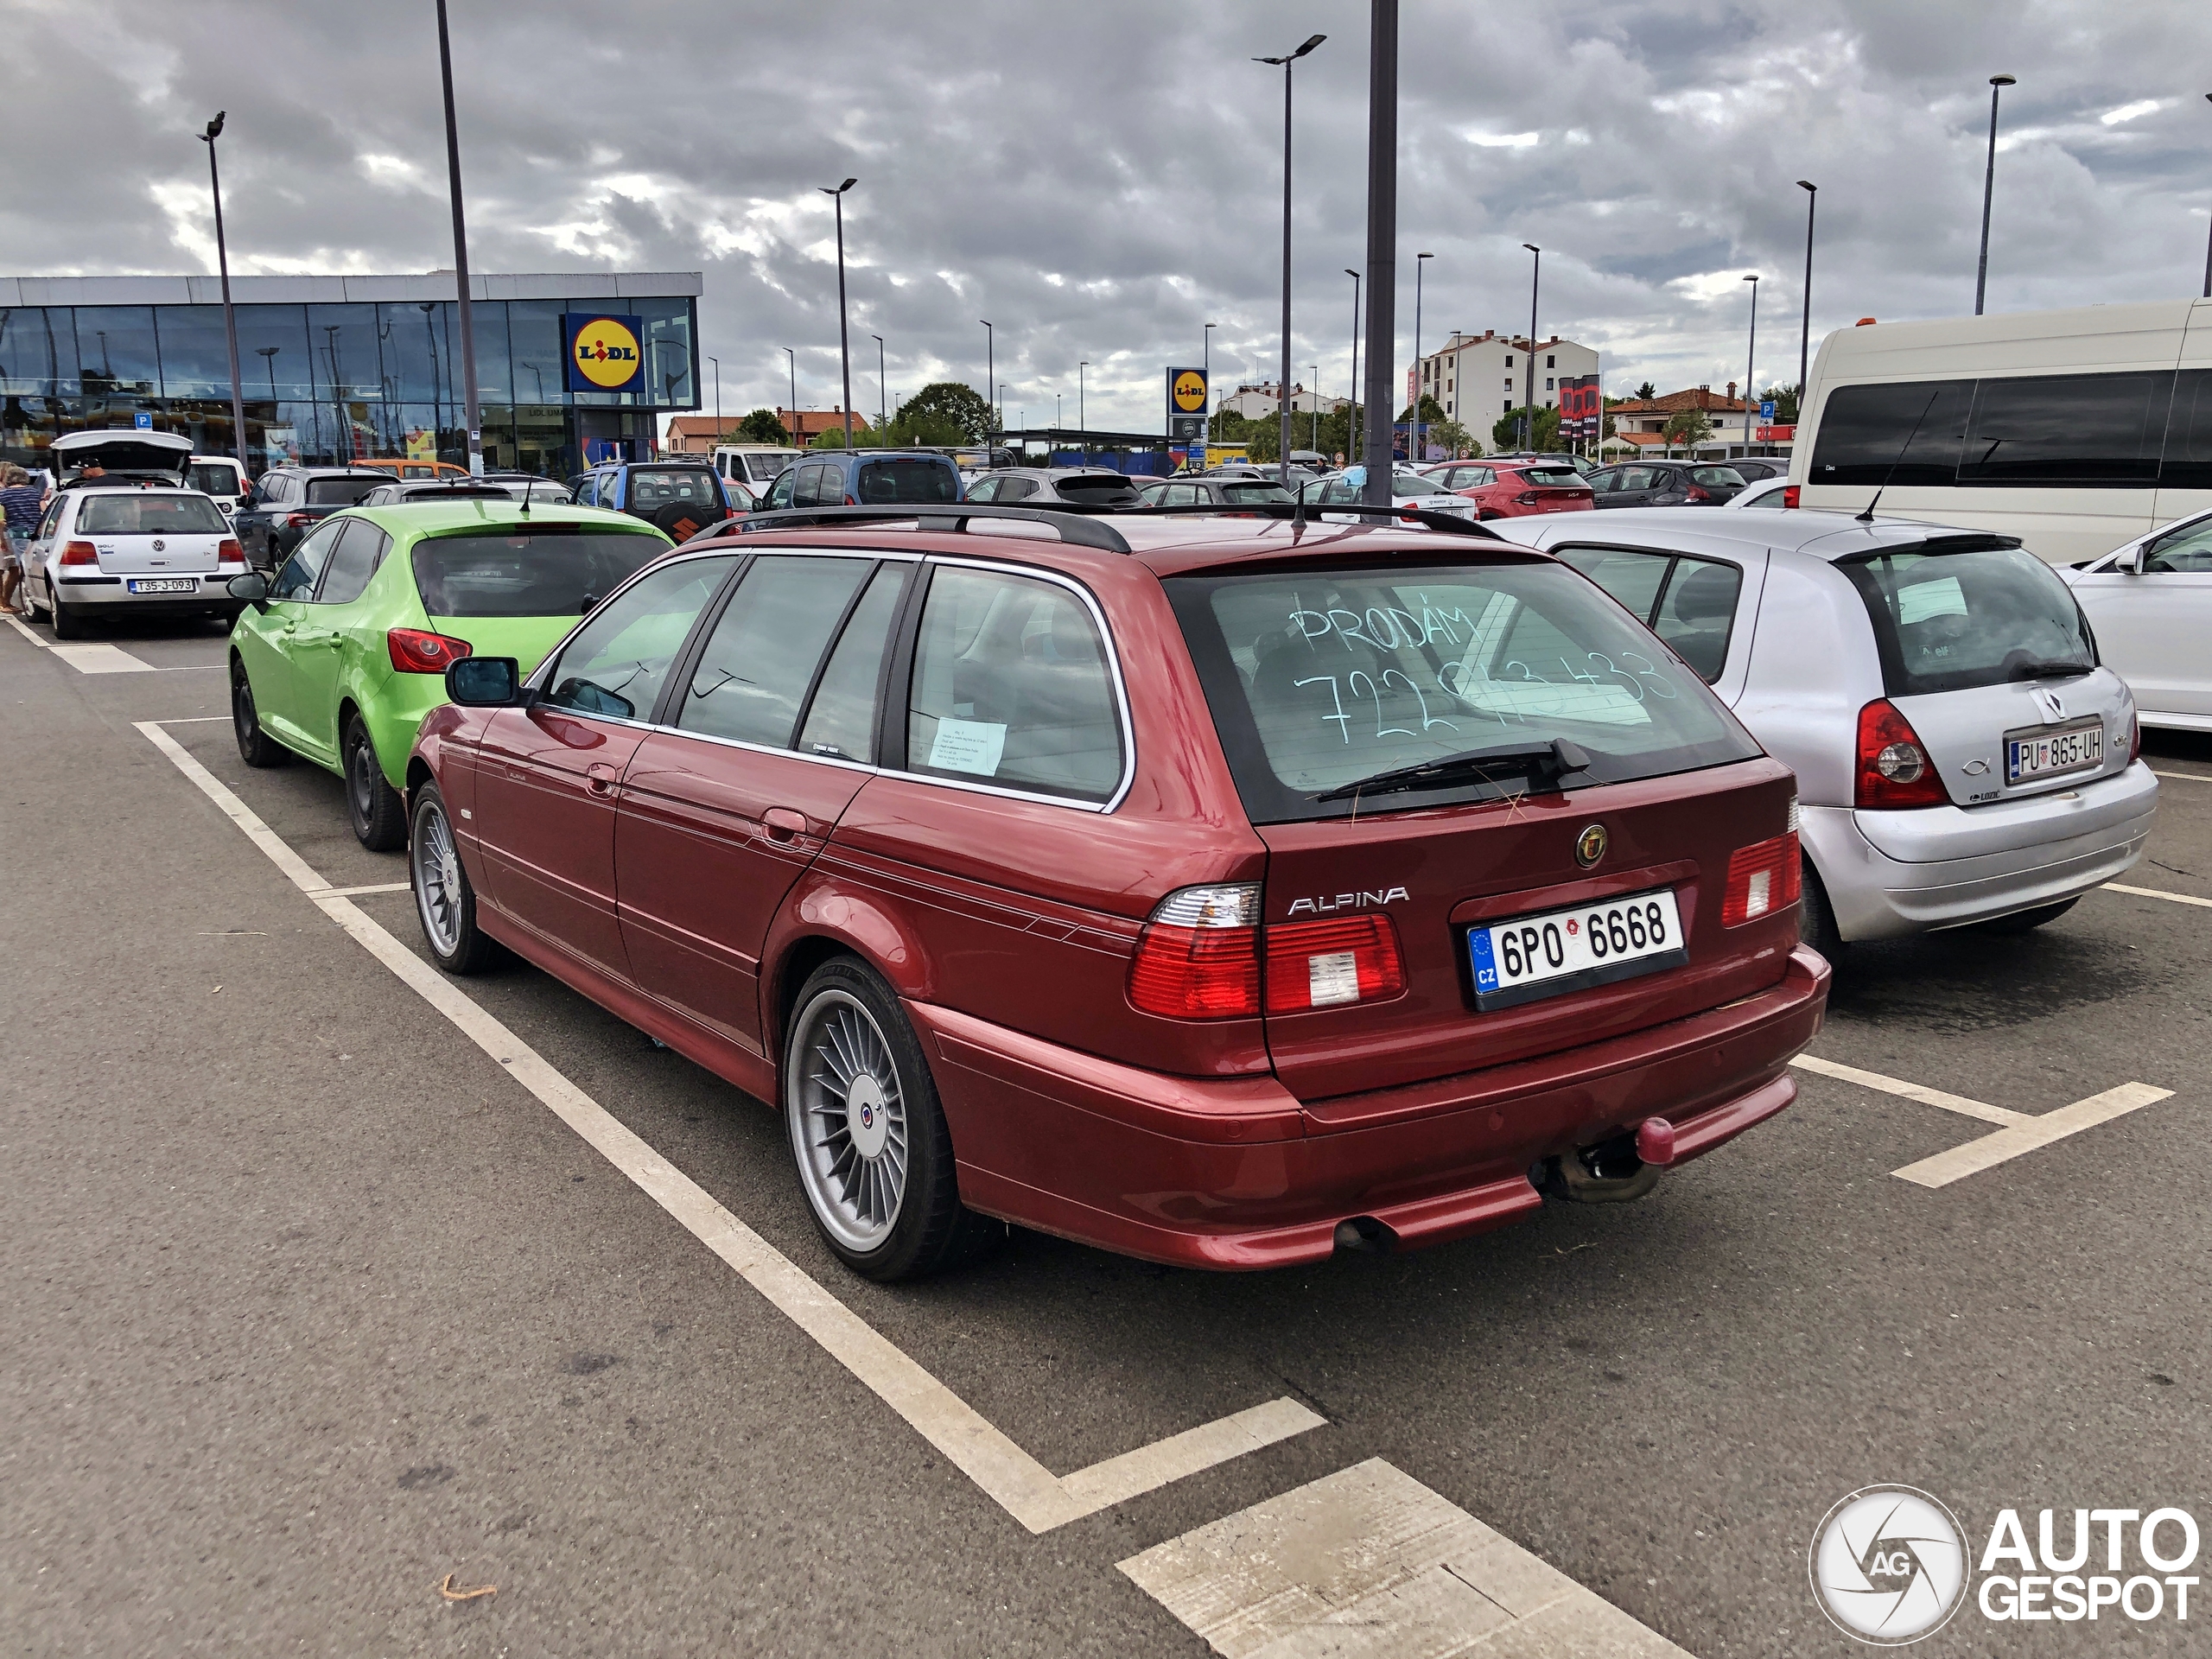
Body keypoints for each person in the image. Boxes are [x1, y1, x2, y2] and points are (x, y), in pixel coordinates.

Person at [0, 463, 47, 615]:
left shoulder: (3, 495)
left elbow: (2, 518)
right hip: (36, 533)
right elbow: (45, 511)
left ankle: (29, 598)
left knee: (23, 567)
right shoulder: (34, 493)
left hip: (16, 534)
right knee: (34, 564)